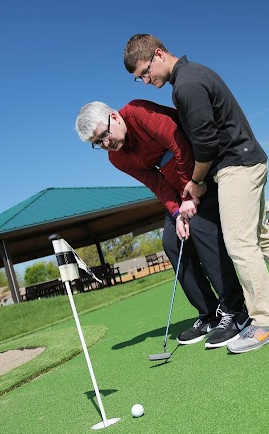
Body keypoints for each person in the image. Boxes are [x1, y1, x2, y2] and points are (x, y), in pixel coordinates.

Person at [123, 34, 269, 354]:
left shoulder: (186, 85)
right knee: (259, 235)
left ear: (158, 54)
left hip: (235, 167)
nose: (145, 81)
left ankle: (267, 321)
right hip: (249, 161)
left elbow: (206, 143)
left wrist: (196, 181)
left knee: (240, 243)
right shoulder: (190, 76)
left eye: (144, 72)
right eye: (138, 79)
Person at [74, 99, 249, 349]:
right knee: (171, 240)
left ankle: (236, 308)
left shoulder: (137, 113)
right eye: (97, 144)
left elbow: (180, 147)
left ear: (114, 116)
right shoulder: (117, 158)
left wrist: (189, 197)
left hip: (202, 170)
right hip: (178, 189)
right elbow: (155, 182)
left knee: (199, 229)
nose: (106, 144)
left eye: (104, 135)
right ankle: (210, 314)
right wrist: (177, 212)